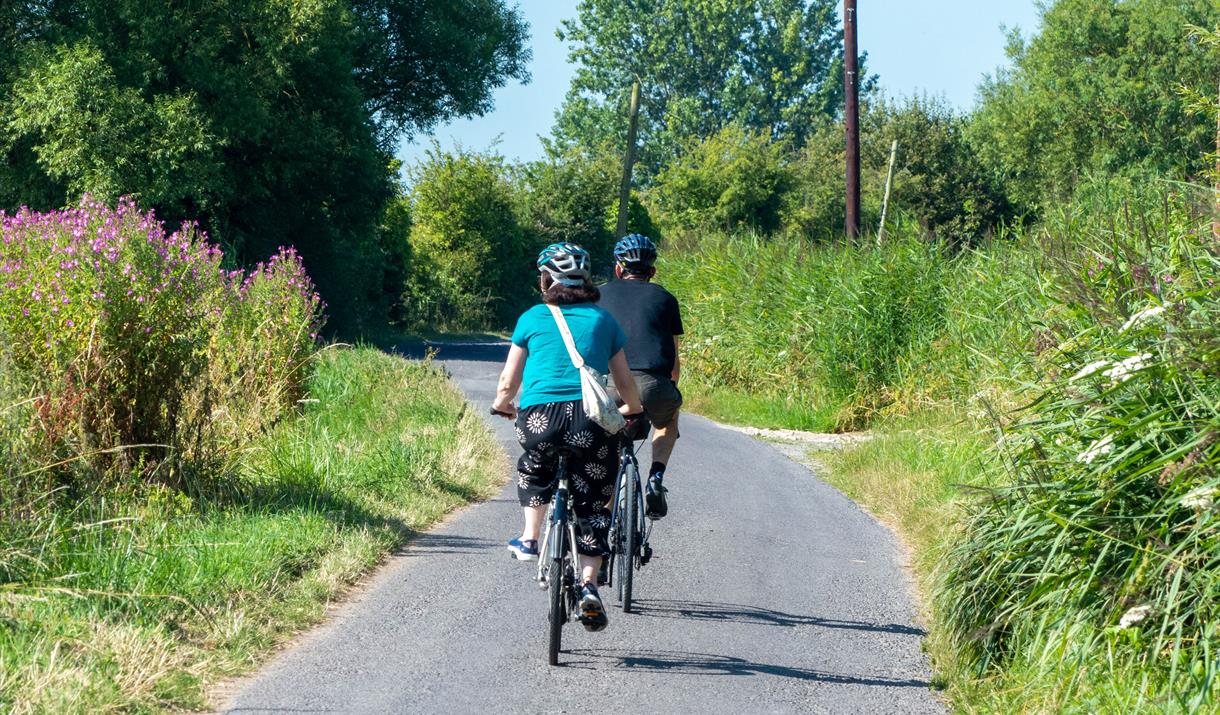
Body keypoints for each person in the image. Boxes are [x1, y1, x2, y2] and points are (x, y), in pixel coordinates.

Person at [491, 242, 644, 632]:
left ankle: (529, 538)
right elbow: (625, 384)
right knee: (593, 498)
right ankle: (590, 586)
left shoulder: (532, 317)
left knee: (533, 466)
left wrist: (504, 405)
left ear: (546, 279)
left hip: (540, 417)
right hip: (589, 421)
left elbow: (509, 381)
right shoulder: (603, 321)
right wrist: (631, 410)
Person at [597, 234, 683, 519]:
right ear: (653, 272)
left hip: (607, 383)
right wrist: (665, 393)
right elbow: (673, 363)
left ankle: (600, 528)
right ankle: (656, 477)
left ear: (618, 269)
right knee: (668, 419)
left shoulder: (597, 296)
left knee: (604, 443)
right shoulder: (666, 299)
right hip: (652, 383)